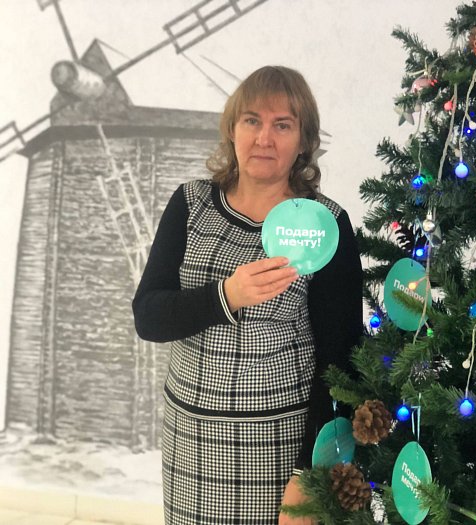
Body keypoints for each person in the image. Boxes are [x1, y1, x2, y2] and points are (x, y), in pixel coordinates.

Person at [132, 65, 363, 524]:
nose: (264, 138)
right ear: (232, 129)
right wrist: (227, 296)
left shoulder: (325, 225)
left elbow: (340, 364)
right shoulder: (190, 203)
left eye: (283, 125)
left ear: (303, 141)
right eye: (252, 120)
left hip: (278, 448)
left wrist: (310, 476)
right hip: (191, 441)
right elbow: (149, 317)